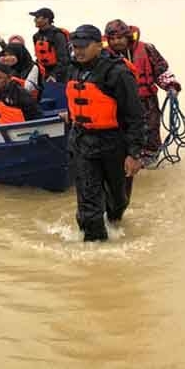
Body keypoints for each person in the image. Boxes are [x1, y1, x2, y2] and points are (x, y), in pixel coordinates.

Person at [64, 24, 145, 242]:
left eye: (84, 46)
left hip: (114, 143)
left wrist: (134, 153)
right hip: (82, 141)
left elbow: (135, 115)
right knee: (88, 201)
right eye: (75, 46)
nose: (78, 51)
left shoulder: (118, 73)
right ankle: (94, 248)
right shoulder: (72, 69)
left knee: (118, 200)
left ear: (99, 45)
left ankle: (115, 221)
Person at [104, 19, 182, 161]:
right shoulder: (103, 56)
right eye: (112, 39)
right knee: (121, 136)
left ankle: (150, 160)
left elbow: (162, 70)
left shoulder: (147, 49)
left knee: (151, 132)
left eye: (120, 38)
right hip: (119, 105)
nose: (116, 42)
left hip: (147, 103)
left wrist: (171, 86)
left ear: (128, 36)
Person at [30, 7, 70, 83]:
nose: (34, 20)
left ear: (46, 19)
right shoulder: (36, 36)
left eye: (37, 17)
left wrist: (53, 74)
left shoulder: (58, 35)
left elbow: (64, 59)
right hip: (43, 74)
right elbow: (38, 58)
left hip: (59, 76)